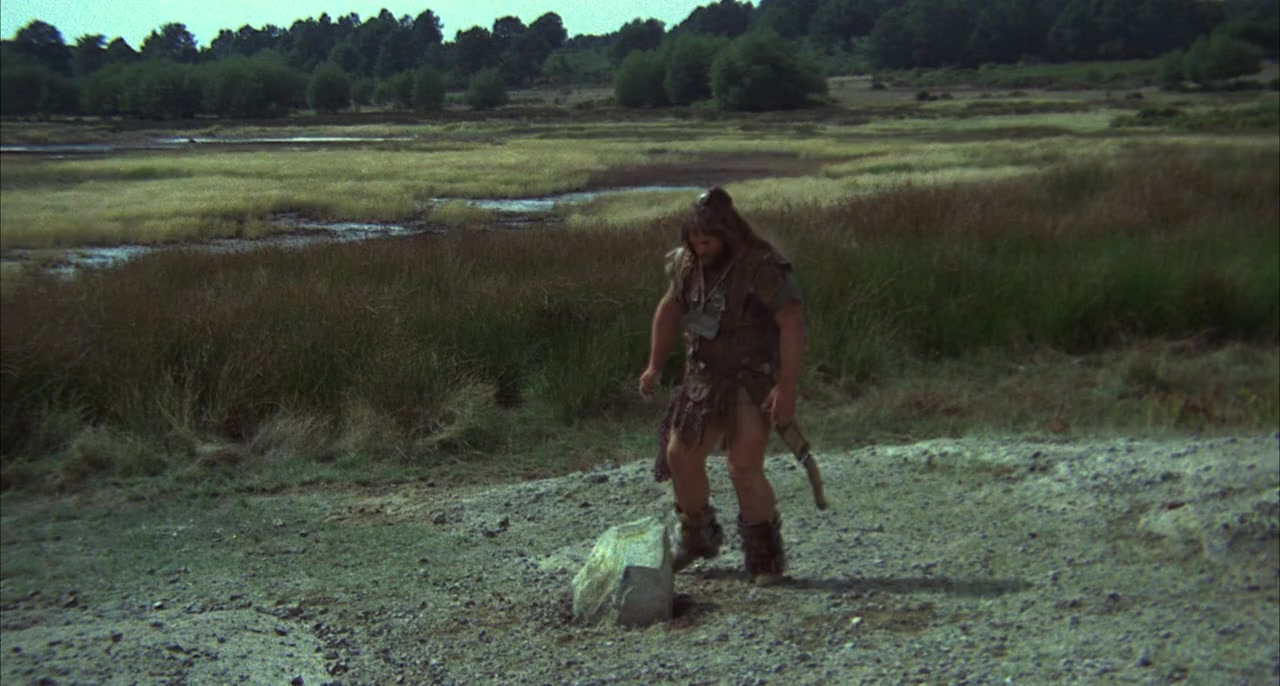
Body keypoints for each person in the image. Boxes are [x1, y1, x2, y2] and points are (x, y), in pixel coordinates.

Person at [638, 186, 805, 586]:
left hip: (750, 377)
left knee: (743, 466)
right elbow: (669, 309)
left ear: (728, 234)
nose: (701, 248)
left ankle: (765, 557)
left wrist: (786, 387)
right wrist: (655, 365)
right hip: (702, 377)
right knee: (680, 456)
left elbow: (791, 322)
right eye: (695, 241)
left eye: (708, 241)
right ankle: (698, 536)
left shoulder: (762, 266)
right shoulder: (687, 264)